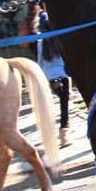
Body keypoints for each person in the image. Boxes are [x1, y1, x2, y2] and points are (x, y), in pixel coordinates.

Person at [37, 20, 72, 148]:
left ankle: (67, 125)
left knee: (60, 103)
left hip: (49, 78)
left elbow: (39, 61)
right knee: (64, 105)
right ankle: (63, 135)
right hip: (62, 76)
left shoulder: (41, 42)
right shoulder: (59, 40)